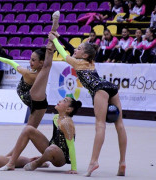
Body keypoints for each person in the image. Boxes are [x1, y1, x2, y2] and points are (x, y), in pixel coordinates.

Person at [49, 31, 127, 177]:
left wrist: (54, 41)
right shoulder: (90, 61)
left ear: (84, 55)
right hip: (110, 87)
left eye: (78, 49)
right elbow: (70, 49)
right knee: (120, 124)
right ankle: (122, 162)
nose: (75, 50)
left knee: (100, 125)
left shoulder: (78, 63)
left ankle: (93, 161)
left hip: (99, 89)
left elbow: (62, 52)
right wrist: (59, 36)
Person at [0, 97, 82, 173]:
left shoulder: (66, 123)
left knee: (52, 148)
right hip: (50, 147)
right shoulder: (56, 117)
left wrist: (73, 168)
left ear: (68, 109)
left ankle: (37, 162)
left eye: (64, 101)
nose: (60, 101)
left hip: (61, 158)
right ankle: (11, 162)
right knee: (28, 129)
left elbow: (71, 146)